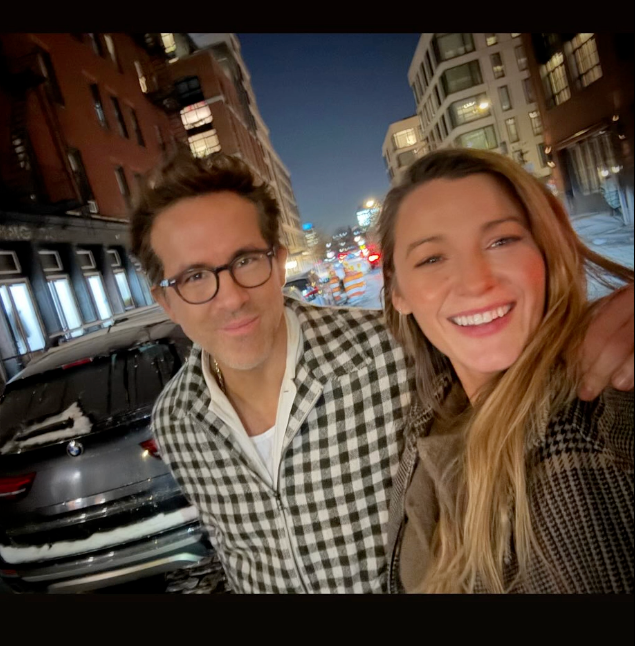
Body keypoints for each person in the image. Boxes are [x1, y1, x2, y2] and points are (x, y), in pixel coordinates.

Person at [130, 147, 634, 594]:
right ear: (165, 301)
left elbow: (528, 363)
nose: (232, 297)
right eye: (195, 277)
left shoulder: (396, 351)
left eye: (246, 261)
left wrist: (604, 338)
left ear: (280, 262)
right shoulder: (176, 420)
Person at [379, 148, 633, 594]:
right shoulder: (436, 409)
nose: (477, 281)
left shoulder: (603, 419)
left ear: (545, 252)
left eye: (502, 241)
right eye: (432, 259)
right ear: (398, 292)